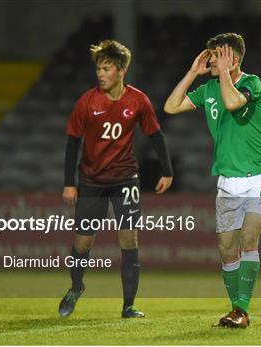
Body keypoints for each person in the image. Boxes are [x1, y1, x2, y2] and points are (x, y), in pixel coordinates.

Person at [164, 33, 261, 328]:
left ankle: (241, 311)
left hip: (259, 177)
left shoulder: (252, 84)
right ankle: (235, 309)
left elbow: (231, 104)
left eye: (216, 54)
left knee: (248, 238)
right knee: (227, 248)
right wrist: (192, 73)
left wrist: (226, 73)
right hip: (228, 181)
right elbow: (171, 107)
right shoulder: (209, 88)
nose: (210, 59)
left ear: (234, 59)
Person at [59, 39, 173, 319]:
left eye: (106, 68)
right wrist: (69, 182)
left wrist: (167, 171)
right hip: (91, 180)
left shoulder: (138, 100)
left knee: (129, 240)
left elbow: (156, 136)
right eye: (98, 68)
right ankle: (76, 286)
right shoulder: (87, 101)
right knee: (83, 243)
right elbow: (73, 142)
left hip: (125, 179)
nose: (100, 73)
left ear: (121, 70)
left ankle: (128, 305)